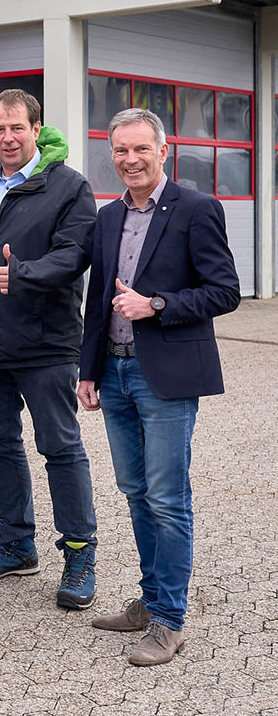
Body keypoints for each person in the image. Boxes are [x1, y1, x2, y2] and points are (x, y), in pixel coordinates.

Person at [78, 108, 240, 666]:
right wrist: (89, 369)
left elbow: (224, 291)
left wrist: (158, 305)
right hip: (116, 375)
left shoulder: (196, 210)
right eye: (120, 151)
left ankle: (170, 620)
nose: (130, 160)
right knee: (135, 492)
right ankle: (149, 602)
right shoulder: (106, 218)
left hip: (165, 376)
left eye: (140, 149)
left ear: (162, 150)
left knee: (168, 498)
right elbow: (98, 299)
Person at [0, 89, 100, 610]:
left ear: (37, 129)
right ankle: (17, 542)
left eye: (17, 127)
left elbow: (77, 253)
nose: (8, 138)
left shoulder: (67, 187)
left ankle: (80, 552)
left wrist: (25, 273)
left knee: (59, 447)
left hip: (44, 344)